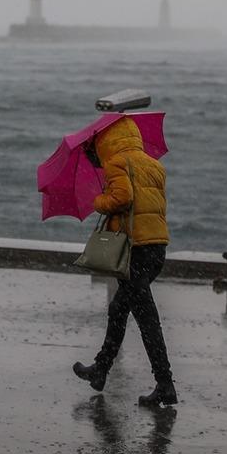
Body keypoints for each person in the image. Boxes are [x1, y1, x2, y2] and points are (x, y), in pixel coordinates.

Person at [73, 116, 177, 406]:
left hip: (134, 250)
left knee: (147, 319)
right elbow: (151, 204)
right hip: (156, 247)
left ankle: (165, 384)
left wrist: (99, 201)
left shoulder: (117, 163)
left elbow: (122, 198)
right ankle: (101, 369)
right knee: (119, 307)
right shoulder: (153, 165)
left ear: (107, 141)